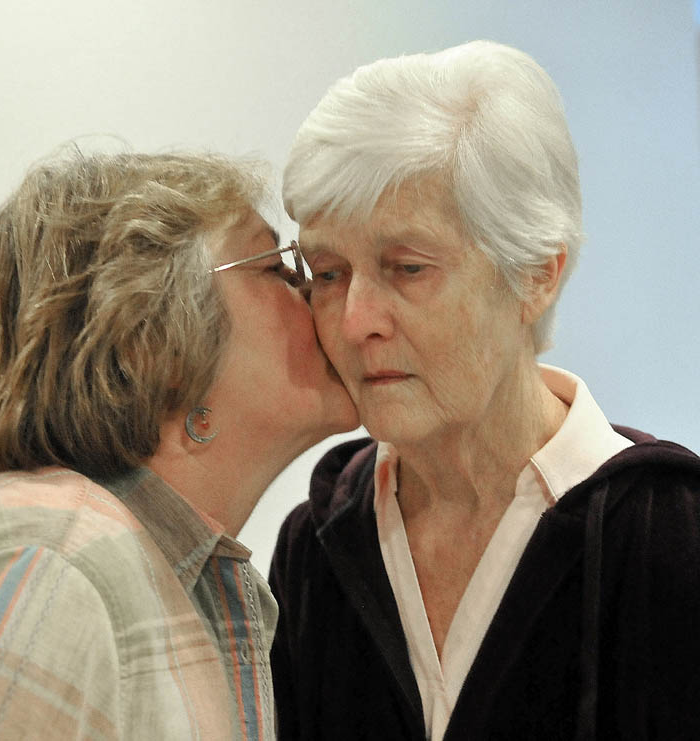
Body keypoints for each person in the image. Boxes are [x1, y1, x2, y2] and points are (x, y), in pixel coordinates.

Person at [268, 40, 700, 740]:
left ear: (537, 273)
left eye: (406, 268)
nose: (354, 322)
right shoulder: (316, 551)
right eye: (329, 272)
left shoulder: (668, 532)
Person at [0, 150, 357, 739]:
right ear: (150, 340)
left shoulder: (167, 579)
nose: (319, 297)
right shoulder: (51, 566)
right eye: (275, 267)